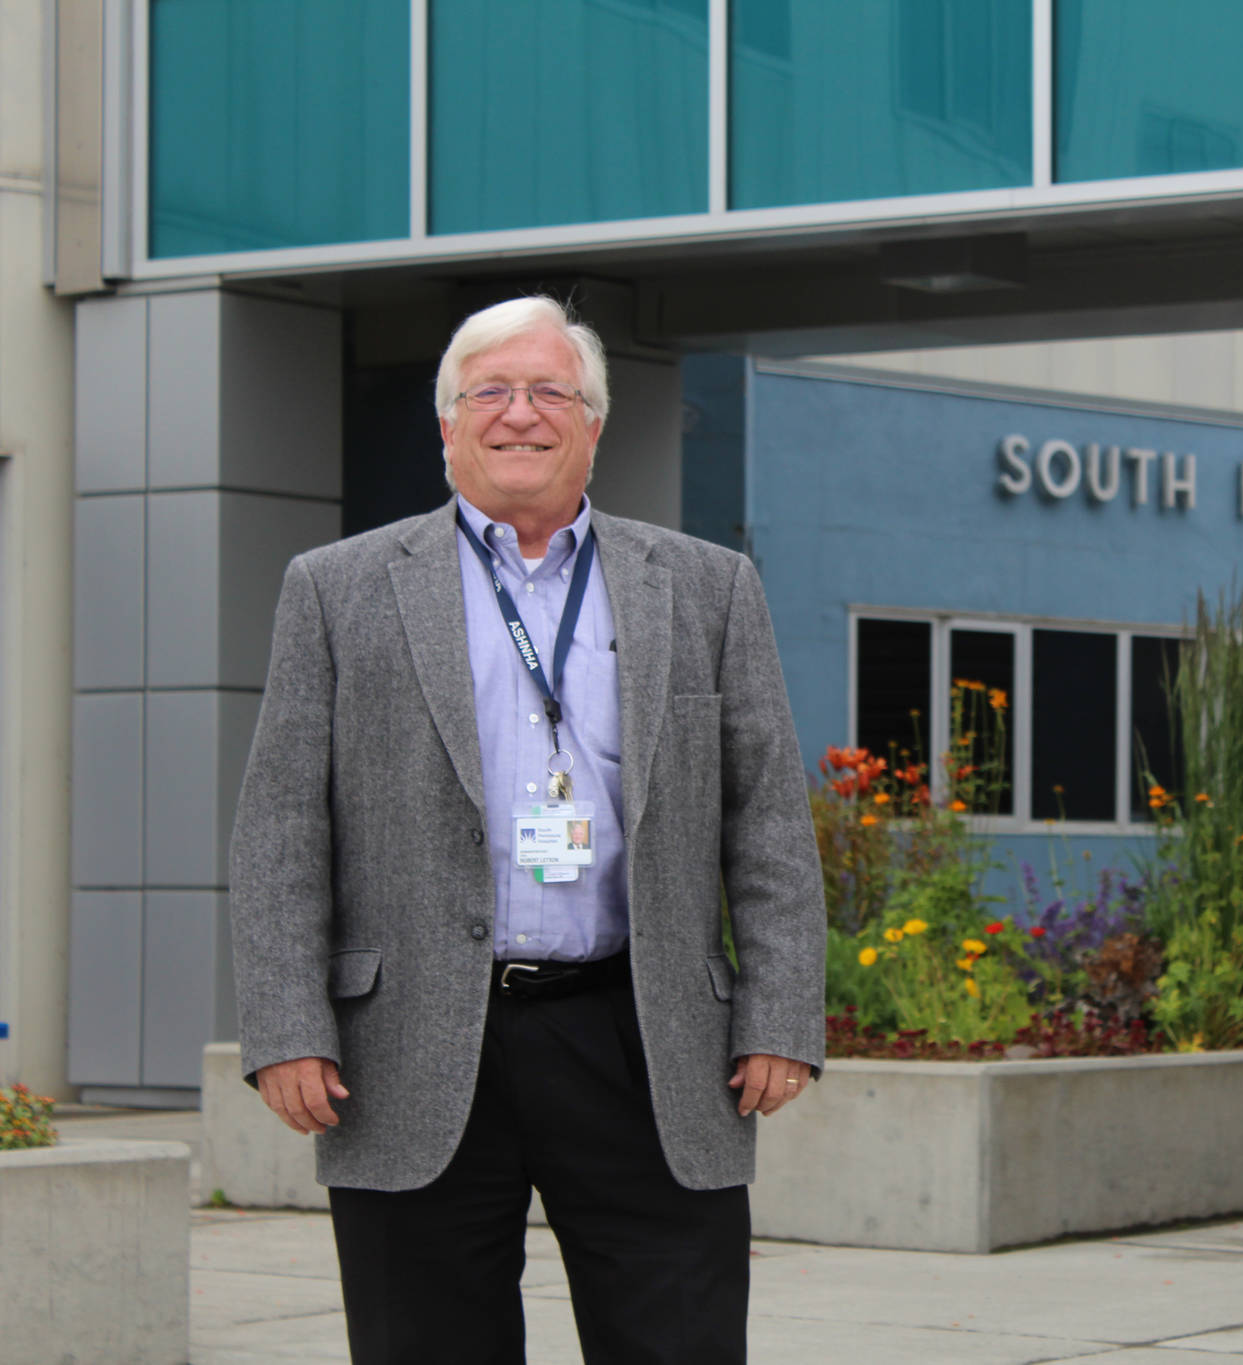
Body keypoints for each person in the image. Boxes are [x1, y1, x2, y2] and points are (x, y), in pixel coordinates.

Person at [228, 295, 825, 1364]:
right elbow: (280, 827)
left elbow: (768, 817)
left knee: (677, 1341)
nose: (520, 414)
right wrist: (287, 1025)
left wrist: (779, 1011)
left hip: (641, 1037)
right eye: (489, 392)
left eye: (550, 390)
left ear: (591, 421)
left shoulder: (705, 587)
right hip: (407, 1044)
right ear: (446, 422)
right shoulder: (336, 588)